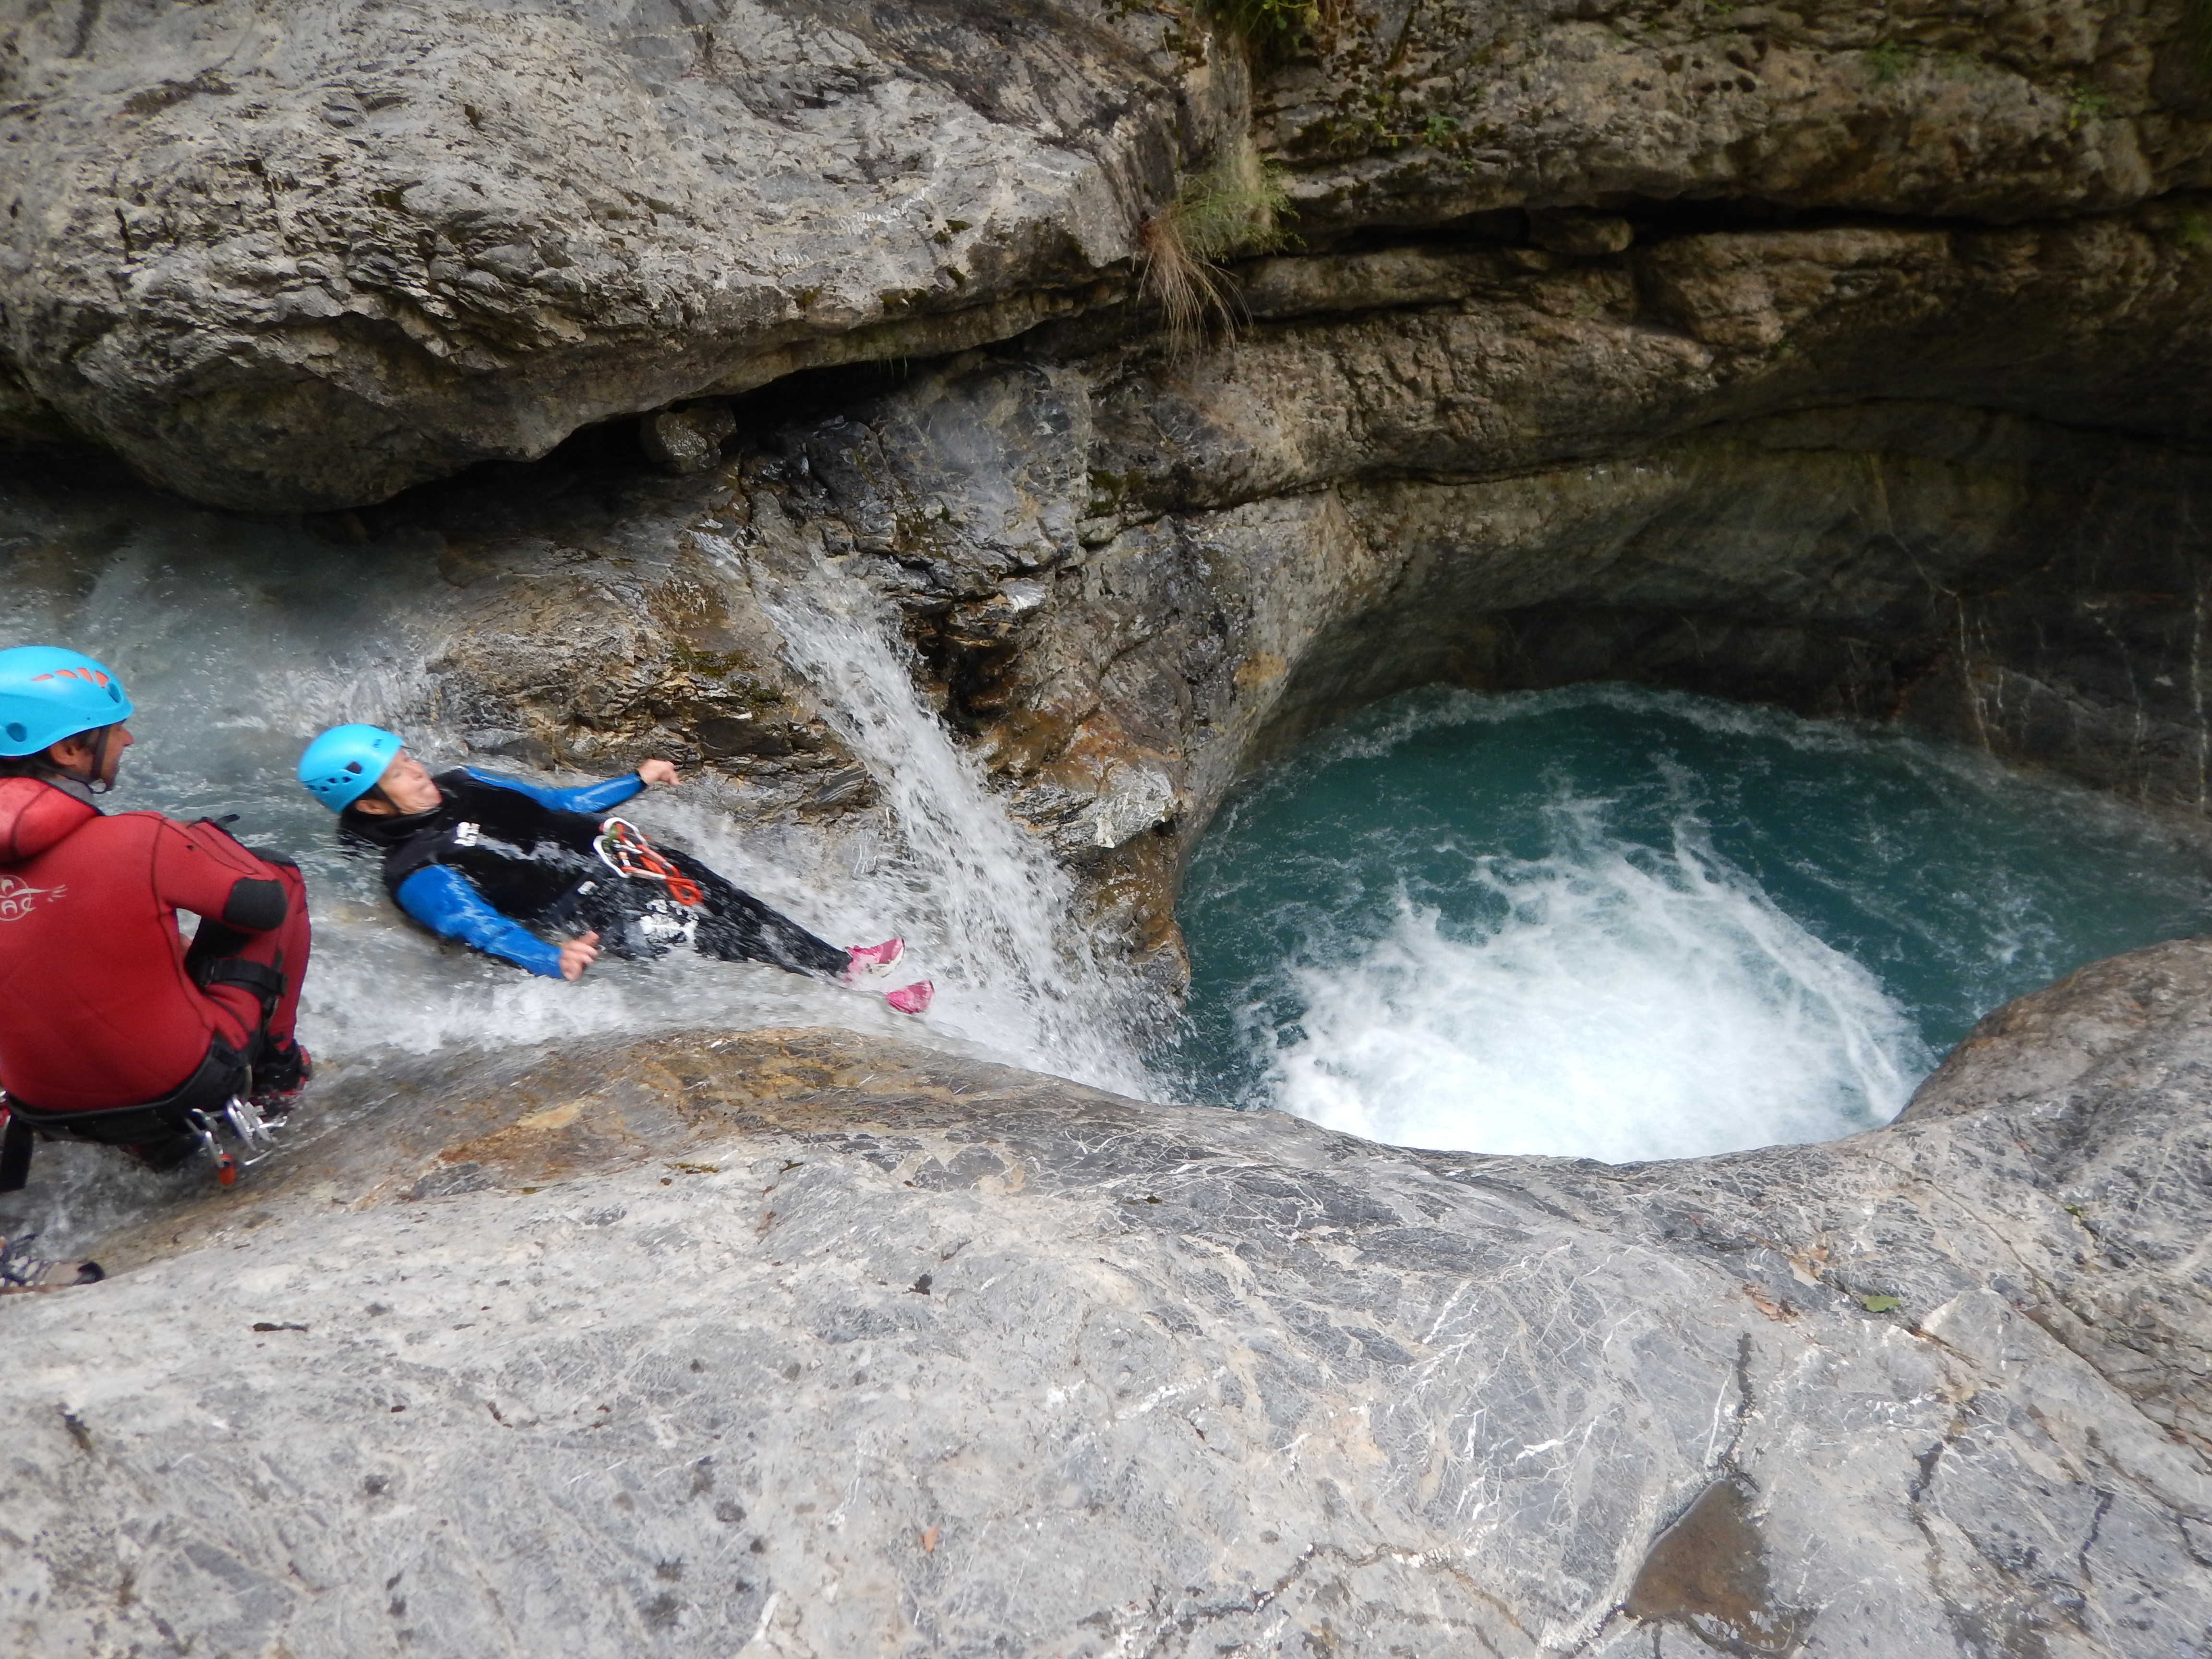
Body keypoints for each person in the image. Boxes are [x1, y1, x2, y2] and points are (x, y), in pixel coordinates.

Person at [298, 725, 933, 1011]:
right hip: (599, 910)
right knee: (730, 943)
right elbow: (483, 930)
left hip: (626, 858)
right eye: (398, 773)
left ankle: (846, 965)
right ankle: (876, 1001)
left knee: (743, 907)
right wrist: (556, 959)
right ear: (370, 801)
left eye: (407, 757)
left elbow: (554, 805)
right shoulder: (418, 869)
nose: (416, 769)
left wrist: (635, 781)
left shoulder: (462, 781)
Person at [0, 646, 313, 1194]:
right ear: (70, 750)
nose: (128, 741)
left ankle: (142, 1139)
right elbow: (262, 906)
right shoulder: (140, 836)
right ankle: (279, 1076)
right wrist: (206, 838)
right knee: (279, 877)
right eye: (113, 730)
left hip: (43, 1110)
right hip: (185, 1084)